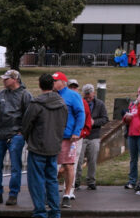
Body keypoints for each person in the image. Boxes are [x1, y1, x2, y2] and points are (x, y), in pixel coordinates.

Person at [0, 69, 32, 206]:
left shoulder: (25, 95)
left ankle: (13, 194)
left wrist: (22, 131)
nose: (3, 81)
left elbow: (31, 115)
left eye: (6, 78)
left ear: (15, 79)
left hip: (16, 135)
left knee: (15, 166)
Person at [22, 73, 67, 218]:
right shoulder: (62, 104)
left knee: (36, 182)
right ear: (53, 84)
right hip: (54, 146)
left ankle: (40, 212)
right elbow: (63, 123)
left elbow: (26, 124)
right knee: (52, 180)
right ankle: (55, 211)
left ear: (40, 85)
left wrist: (28, 139)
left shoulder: (36, 104)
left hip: (38, 147)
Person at [51, 72, 86, 207]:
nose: (53, 83)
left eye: (55, 81)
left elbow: (80, 113)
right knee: (53, 166)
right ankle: (51, 193)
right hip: (53, 136)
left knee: (68, 165)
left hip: (68, 137)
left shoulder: (73, 95)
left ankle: (67, 194)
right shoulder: (52, 95)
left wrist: (76, 132)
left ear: (63, 82)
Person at [76, 84, 109, 191]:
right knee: (79, 160)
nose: (88, 99)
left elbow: (105, 119)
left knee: (92, 160)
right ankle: (76, 181)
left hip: (94, 135)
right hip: (81, 136)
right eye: (86, 97)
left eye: (90, 97)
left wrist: (94, 122)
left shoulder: (100, 104)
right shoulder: (80, 102)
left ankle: (91, 181)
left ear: (93, 93)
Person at [122, 85, 140, 190]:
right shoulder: (132, 104)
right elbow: (126, 118)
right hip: (131, 134)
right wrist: (126, 118)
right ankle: (132, 180)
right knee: (133, 159)